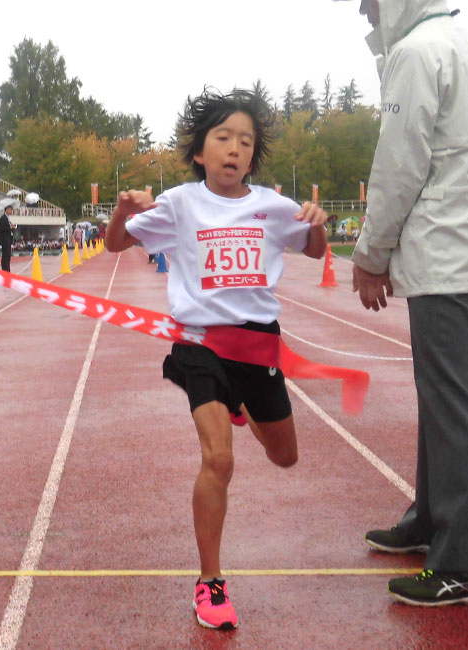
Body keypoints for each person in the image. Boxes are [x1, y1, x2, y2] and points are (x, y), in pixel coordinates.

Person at [106, 88, 327, 630]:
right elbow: (115, 245)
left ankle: (242, 406)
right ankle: (210, 583)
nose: (234, 148)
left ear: (253, 156)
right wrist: (120, 212)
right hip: (200, 344)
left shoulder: (274, 207)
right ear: (200, 152)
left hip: (258, 347)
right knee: (219, 460)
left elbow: (316, 250)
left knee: (285, 457)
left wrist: (317, 222)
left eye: (245, 141)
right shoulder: (180, 204)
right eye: (222, 138)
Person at [342, 0, 468, 606]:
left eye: (367, 1)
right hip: (464, 242)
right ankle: (433, 517)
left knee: (451, 397)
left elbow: (399, 162)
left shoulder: (415, 53)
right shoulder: (462, 42)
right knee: (444, 394)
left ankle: (466, 558)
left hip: (444, 246)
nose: (363, 11)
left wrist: (369, 252)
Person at [0, 204, 14, 271]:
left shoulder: (7, 218)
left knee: (8, 256)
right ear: (6, 210)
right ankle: (5, 269)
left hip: (8, 239)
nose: (11, 211)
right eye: (10, 209)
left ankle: (7, 269)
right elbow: (2, 228)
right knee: (5, 256)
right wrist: (10, 227)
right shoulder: (3, 218)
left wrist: (12, 227)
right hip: (5, 239)